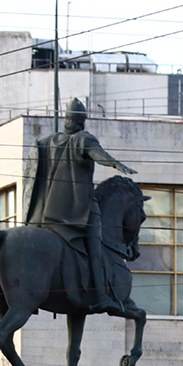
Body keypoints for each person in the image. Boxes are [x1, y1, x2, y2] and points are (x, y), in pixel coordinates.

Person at [23, 97, 139, 314]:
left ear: (66, 119)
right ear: (82, 121)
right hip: (80, 211)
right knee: (95, 249)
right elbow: (96, 153)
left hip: (47, 215)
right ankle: (102, 296)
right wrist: (114, 163)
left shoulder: (49, 141)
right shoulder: (82, 140)